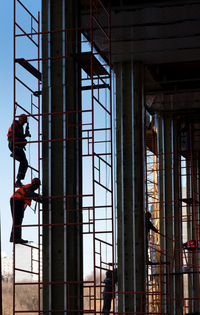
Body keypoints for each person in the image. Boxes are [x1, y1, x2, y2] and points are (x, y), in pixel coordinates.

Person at [10, 178, 42, 244]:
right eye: (37, 185)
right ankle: (15, 238)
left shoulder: (30, 189)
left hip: (18, 201)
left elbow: (34, 198)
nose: (37, 187)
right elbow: (30, 193)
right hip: (16, 200)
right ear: (34, 184)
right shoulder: (29, 187)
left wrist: (43, 200)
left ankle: (14, 237)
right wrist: (39, 196)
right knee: (17, 219)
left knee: (18, 220)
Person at [7, 114, 31, 186]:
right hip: (13, 144)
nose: (23, 124)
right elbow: (15, 134)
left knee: (24, 162)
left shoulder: (21, 126)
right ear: (20, 120)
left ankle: (18, 180)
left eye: (24, 122)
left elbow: (20, 136)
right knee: (24, 141)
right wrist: (25, 135)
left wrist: (25, 135)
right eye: (23, 122)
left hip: (17, 146)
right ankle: (15, 154)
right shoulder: (15, 124)